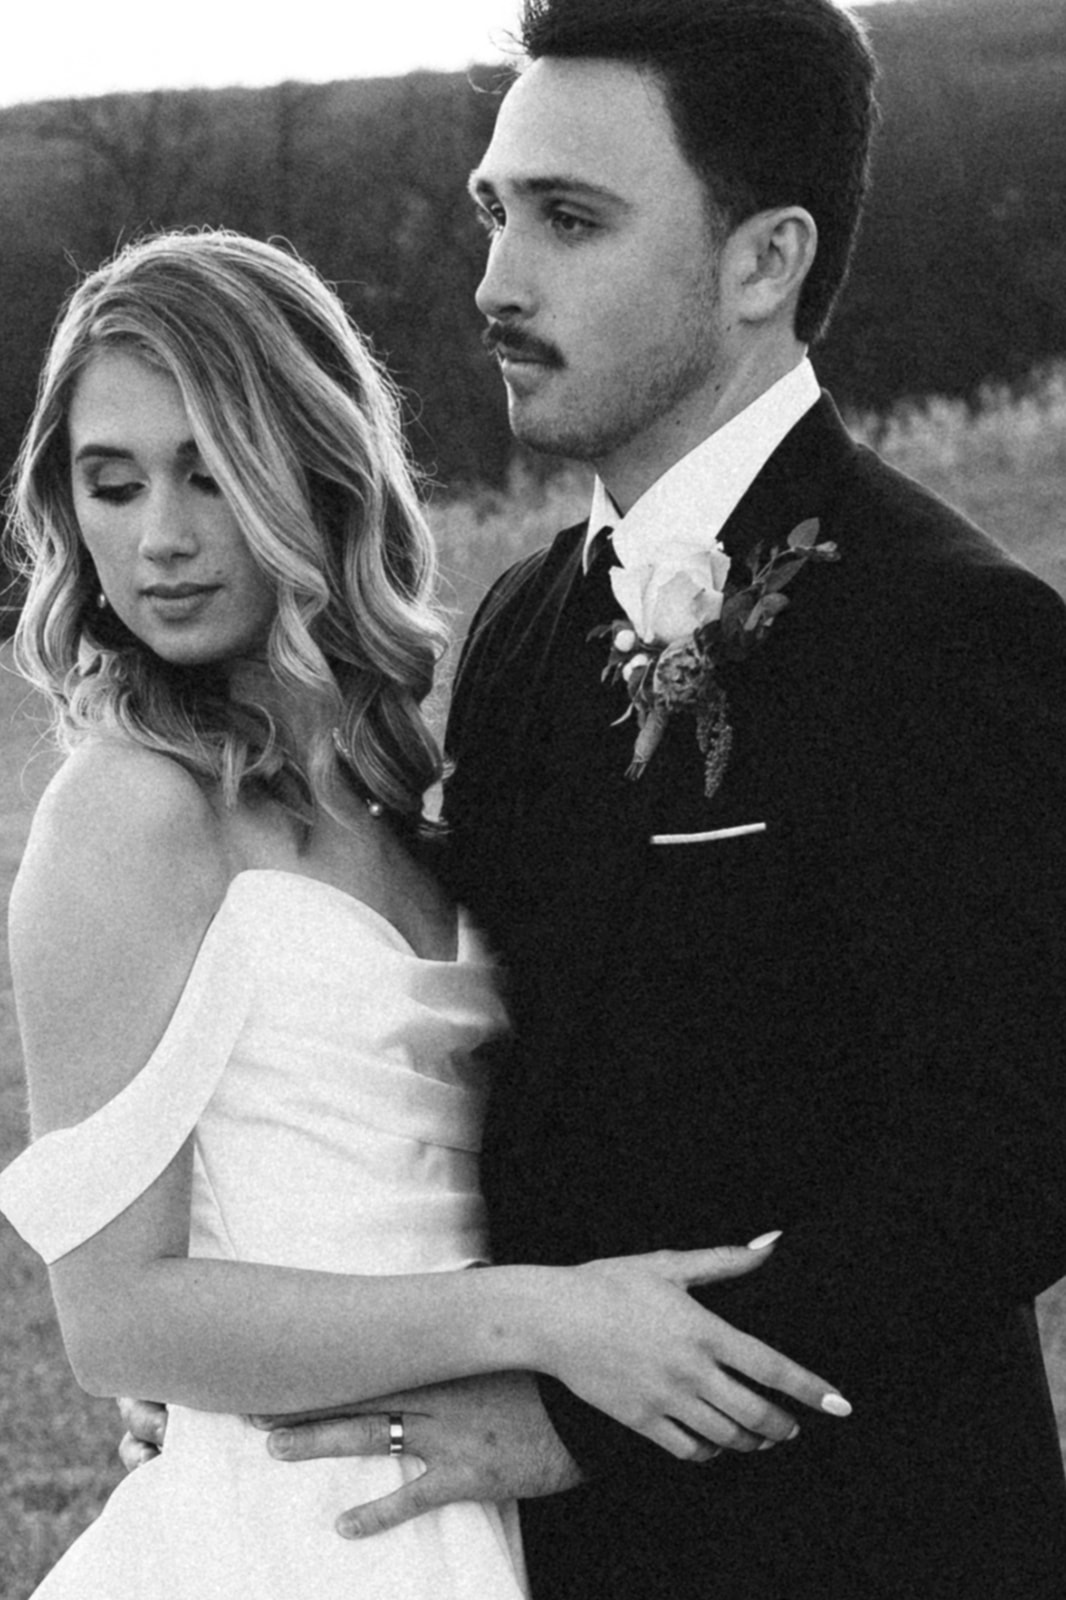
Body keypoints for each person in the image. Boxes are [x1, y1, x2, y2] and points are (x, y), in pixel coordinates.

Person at [167, 1, 1066, 1596]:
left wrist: (590, 1422)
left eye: (570, 221)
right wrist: (280, 1384)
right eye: (495, 213)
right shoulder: (517, 626)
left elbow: (1012, 1154)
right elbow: (484, 1074)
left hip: (864, 1538)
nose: (496, 283)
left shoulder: (952, 632)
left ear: (761, 262)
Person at [0, 227, 853, 1599]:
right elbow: (121, 1320)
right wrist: (551, 1319)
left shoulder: (406, 787)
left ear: (321, 469)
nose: (159, 536)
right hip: (283, 1536)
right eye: (112, 483)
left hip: (490, 1491)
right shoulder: (129, 812)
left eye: (212, 472)